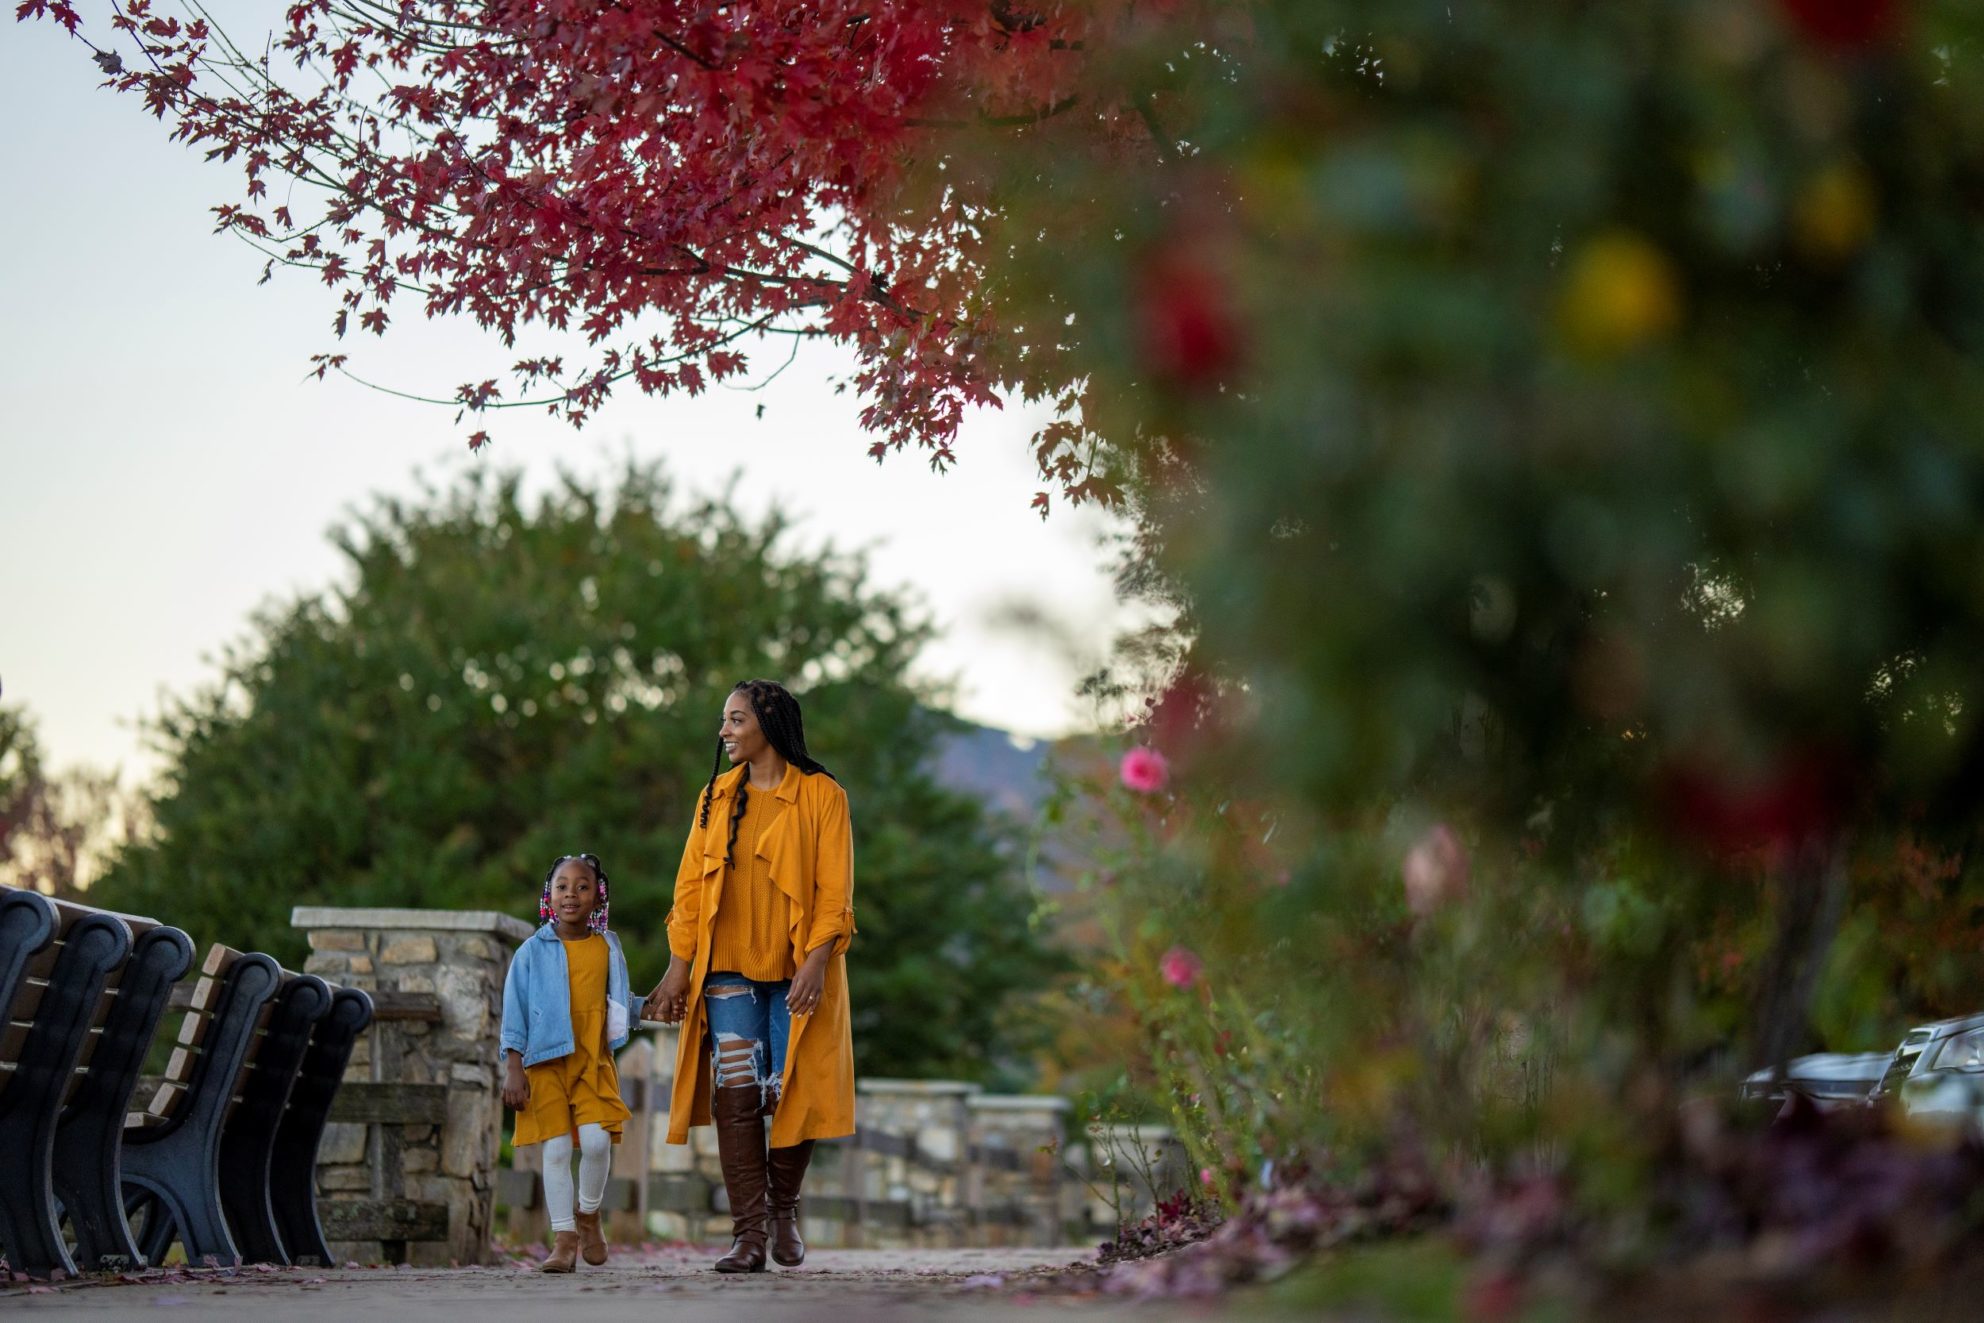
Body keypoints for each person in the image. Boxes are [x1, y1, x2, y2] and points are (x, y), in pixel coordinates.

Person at [644, 680, 857, 1273]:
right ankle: (750, 1236)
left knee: (792, 1091)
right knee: (735, 1096)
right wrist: (678, 967)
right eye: (724, 720)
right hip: (727, 970)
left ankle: (783, 1209)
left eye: (736, 719)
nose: (725, 731)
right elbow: (689, 888)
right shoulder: (714, 796)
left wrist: (817, 960)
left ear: (767, 722)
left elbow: (835, 891)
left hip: (799, 972)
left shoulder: (822, 795)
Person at [500, 852, 638, 1273]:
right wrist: (513, 1066)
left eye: (582, 886)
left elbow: (618, 1002)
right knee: (557, 1150)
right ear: (549, 895)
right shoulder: (531, 952)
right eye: (562, 886)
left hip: (592, 1063)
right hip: (544, 1064)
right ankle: (563, 1240)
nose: (571, 894)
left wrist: (653, 1008)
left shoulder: (608, 948)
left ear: (598, 897)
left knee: (597, 1141)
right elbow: (515, 1010)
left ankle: (589, 1214)